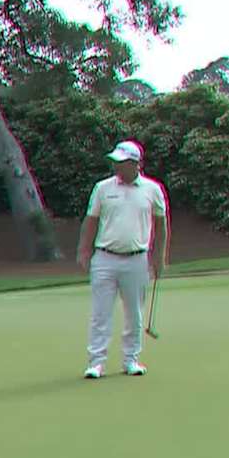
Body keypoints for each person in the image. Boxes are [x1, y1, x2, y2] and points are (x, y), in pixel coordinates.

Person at [76, 140, 170, 379]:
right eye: (115, 162)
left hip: (137, 258)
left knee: (134, 313)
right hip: (105, 258)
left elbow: (161, 225)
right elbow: (91, 220)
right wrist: (84, 250)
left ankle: (131, 360)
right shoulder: (102, 188)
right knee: (101, 312)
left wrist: (158, 257)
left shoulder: (152, 189)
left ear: (136, 164)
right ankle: (96, 363)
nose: (116, 167)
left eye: (121, 163)